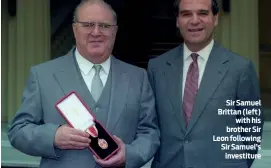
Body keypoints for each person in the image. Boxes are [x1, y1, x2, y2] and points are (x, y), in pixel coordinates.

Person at [8, 0, 160, 168]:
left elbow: (150, 132)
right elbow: (18, 131)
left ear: (115, 31)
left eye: (104, 26)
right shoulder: (43, 75)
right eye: (88, 25)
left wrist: (129, 155)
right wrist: (53, 136)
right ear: (75, 29)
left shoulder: (138, 77)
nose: (96, 32)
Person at [147, 0, 264, 167]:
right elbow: (151, 126)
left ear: (215, 18)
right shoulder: (157, 68)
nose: (194, 20)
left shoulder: (240, 68)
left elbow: (251, 129)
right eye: (186, 14)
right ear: (177, 21)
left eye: (202, 13)